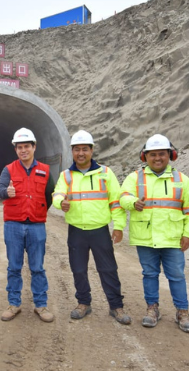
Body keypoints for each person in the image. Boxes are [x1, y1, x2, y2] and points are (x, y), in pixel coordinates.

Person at [120, 134, 189, 333]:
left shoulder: (182, 180)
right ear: (144, 157)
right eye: (152, 154)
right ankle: (152, 309)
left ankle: (182, 312)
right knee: (149, 274)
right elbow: (123, 197)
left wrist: (188, 234)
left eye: (161, 154)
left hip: (173, 238)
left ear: (170, 155)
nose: (157, 158)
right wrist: (132, 203)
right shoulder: (134, 178)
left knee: (177, 276)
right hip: (146, 237)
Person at [52, 130, 131, 324]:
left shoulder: (105, 173)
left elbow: (116, 201)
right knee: (78, 269)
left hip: (99, 230)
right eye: (77, 149)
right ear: (72, 151)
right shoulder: (66, 175)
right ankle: (83, 303)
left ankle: (116, 306)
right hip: (77, 230)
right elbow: (57, 193)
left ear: (92, 150)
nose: (81, 153)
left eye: (84, 149)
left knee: (108, 269)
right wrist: (60, 202)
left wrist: (119, 227)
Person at [0, 128, 55, 323]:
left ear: (34, 147)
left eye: (26, 146)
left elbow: (50, 196)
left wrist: (38, 212)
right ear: (15, 149)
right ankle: (14, 304)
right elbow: (0, 190)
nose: (23, 150)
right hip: (13, 225)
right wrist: (7, 193)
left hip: (36, 226)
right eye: (19, 147)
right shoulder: (9, 169)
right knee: (14, 267)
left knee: (37, 267)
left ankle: (41, 305)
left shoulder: (45, 170)